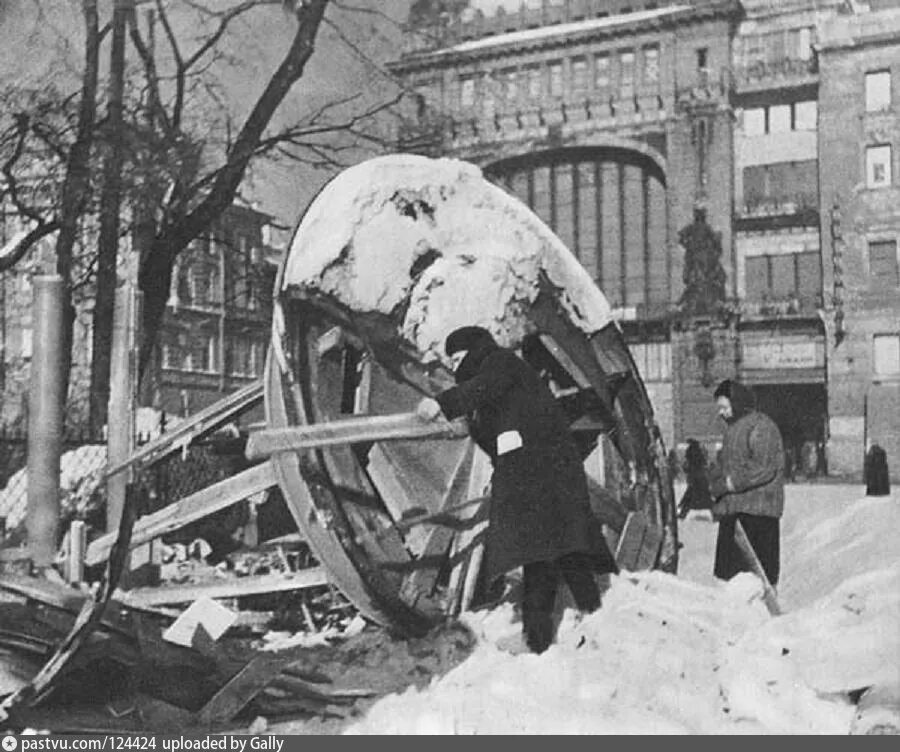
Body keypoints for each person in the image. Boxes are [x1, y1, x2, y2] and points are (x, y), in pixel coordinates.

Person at [417, 325, 619, 654]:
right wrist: (468, 421)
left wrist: (443, 403)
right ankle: (585, 621)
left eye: (456, 358)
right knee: (561, 551)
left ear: (473, 350)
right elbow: (492, 432)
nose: (454, 367)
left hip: (542, 477)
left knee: (545, 554)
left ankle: (546, 637)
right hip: (542, 477)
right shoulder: (499, 377)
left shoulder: (499, 363)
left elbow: (485, 388)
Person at [707, 379, 785, 587]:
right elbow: (728, 466)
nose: (721, 413)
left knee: (758, 582)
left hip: (757, 515)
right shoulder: (733, 430)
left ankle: (763, 617)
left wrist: (729, 484)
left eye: (724, 407)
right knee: (728, 578)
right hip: (734, 513)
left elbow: (763, 467)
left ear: (738, 402)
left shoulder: (761, 426)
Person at [677, 438, 712, 519]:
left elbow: (689, 463)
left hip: (695, 477)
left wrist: (687, 469)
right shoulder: (699, 451)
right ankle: (716, 515)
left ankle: (682, 514)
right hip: (700, 476)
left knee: (691, 496)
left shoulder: (691, 451)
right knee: (705, 498)